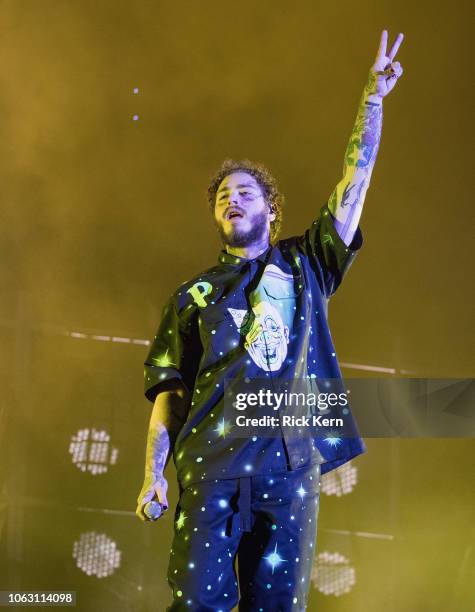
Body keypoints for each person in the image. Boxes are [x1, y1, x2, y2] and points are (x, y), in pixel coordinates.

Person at [136, 30, 404, 612]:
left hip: (289, 470)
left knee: (277, 606)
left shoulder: (307, 265)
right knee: (195, 605)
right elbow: (168, 393)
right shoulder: (191, 296)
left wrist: (373, 103)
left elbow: (353, 187)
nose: (233, 199)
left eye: (246, 191)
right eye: (223, 195)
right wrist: (153, 474)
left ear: (270, 208)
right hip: (212, 468)